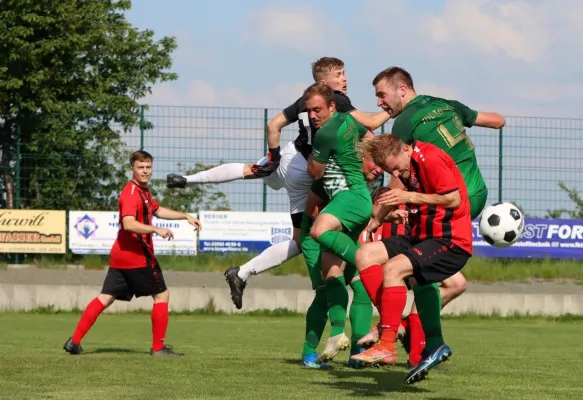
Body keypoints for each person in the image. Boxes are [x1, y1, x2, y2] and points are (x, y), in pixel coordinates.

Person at [165, 57, 389, 310]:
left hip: (288, 154)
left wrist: (272, 157)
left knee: (248, 169)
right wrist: (395, 110)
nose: (344, 79)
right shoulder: (336, 100)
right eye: (339, 74)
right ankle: (244, 272)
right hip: (304, 171)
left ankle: (188, 179)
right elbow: (369, 126)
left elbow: (274, 124)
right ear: (323, 82)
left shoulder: (304, 101)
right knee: (301, 239)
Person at [362, 66, 504, 363]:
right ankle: (415, 341)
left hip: (451, 202)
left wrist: (378, 215)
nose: (379, 102)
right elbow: (498, 121)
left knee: (408, 269)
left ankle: (394, 330)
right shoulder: (447, 105)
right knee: (419, 271)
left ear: (402, 90)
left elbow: (398, 178)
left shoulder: (405, 123)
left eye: (381, 94)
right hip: (478, 191)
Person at [350, 135, 473, 385]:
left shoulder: (431, 159)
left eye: (396, 167)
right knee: (365, 254)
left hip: (449, 239)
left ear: (406, 149)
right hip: (420, 236)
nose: (395, 173)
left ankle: (387, 342)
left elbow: (453, 199)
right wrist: (380, 217)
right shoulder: (406, 166)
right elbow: (407, 197)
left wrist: (409, 198)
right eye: (389, 170)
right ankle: (431, 345)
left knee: (394, 270)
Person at [63, 150, 201, 356]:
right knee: (162, 295)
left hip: (120, 255)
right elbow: (128, 223)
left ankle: (74, 342)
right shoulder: (131, 194)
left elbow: (158, 210)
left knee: (106, 297)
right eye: (140, 167)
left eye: (148, 167)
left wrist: (185, 216)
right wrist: (156, 229)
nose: (145, 171)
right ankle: (158, 348)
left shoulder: (143, 191)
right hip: (136, 256)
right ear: (132, 169)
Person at [301, 156, 383, 369]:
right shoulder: (334, 176)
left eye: (383, 165)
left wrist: (387, 216)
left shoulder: (369, 181)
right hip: (318, 237)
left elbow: (364, 211)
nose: (379, 169)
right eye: (376, 163)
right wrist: (330, 239)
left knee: (362, 286)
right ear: (362, 157)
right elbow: (312, 208)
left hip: (345, 236)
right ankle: (310, 352)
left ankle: (358, 350)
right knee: (326, 289)